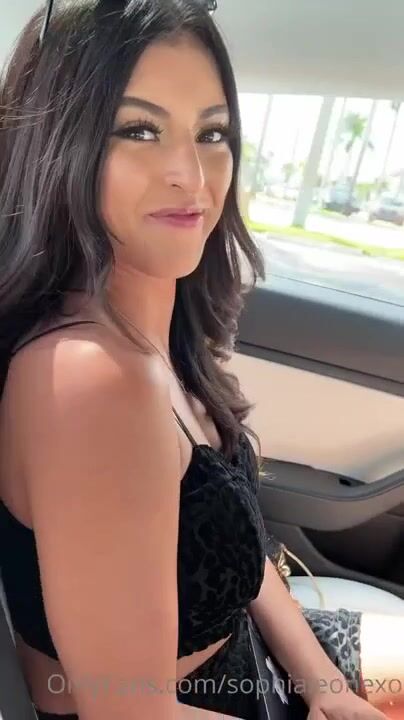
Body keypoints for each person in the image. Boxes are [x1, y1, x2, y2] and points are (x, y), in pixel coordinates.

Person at [0, 1, 403, 718]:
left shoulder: (162, 335)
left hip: (262, 661)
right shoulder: (90, 379)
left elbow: (234, 537)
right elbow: (130, 712)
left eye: (212, 133)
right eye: (139, 130)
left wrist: (326, 687)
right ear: (61, 145)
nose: (191, 173)